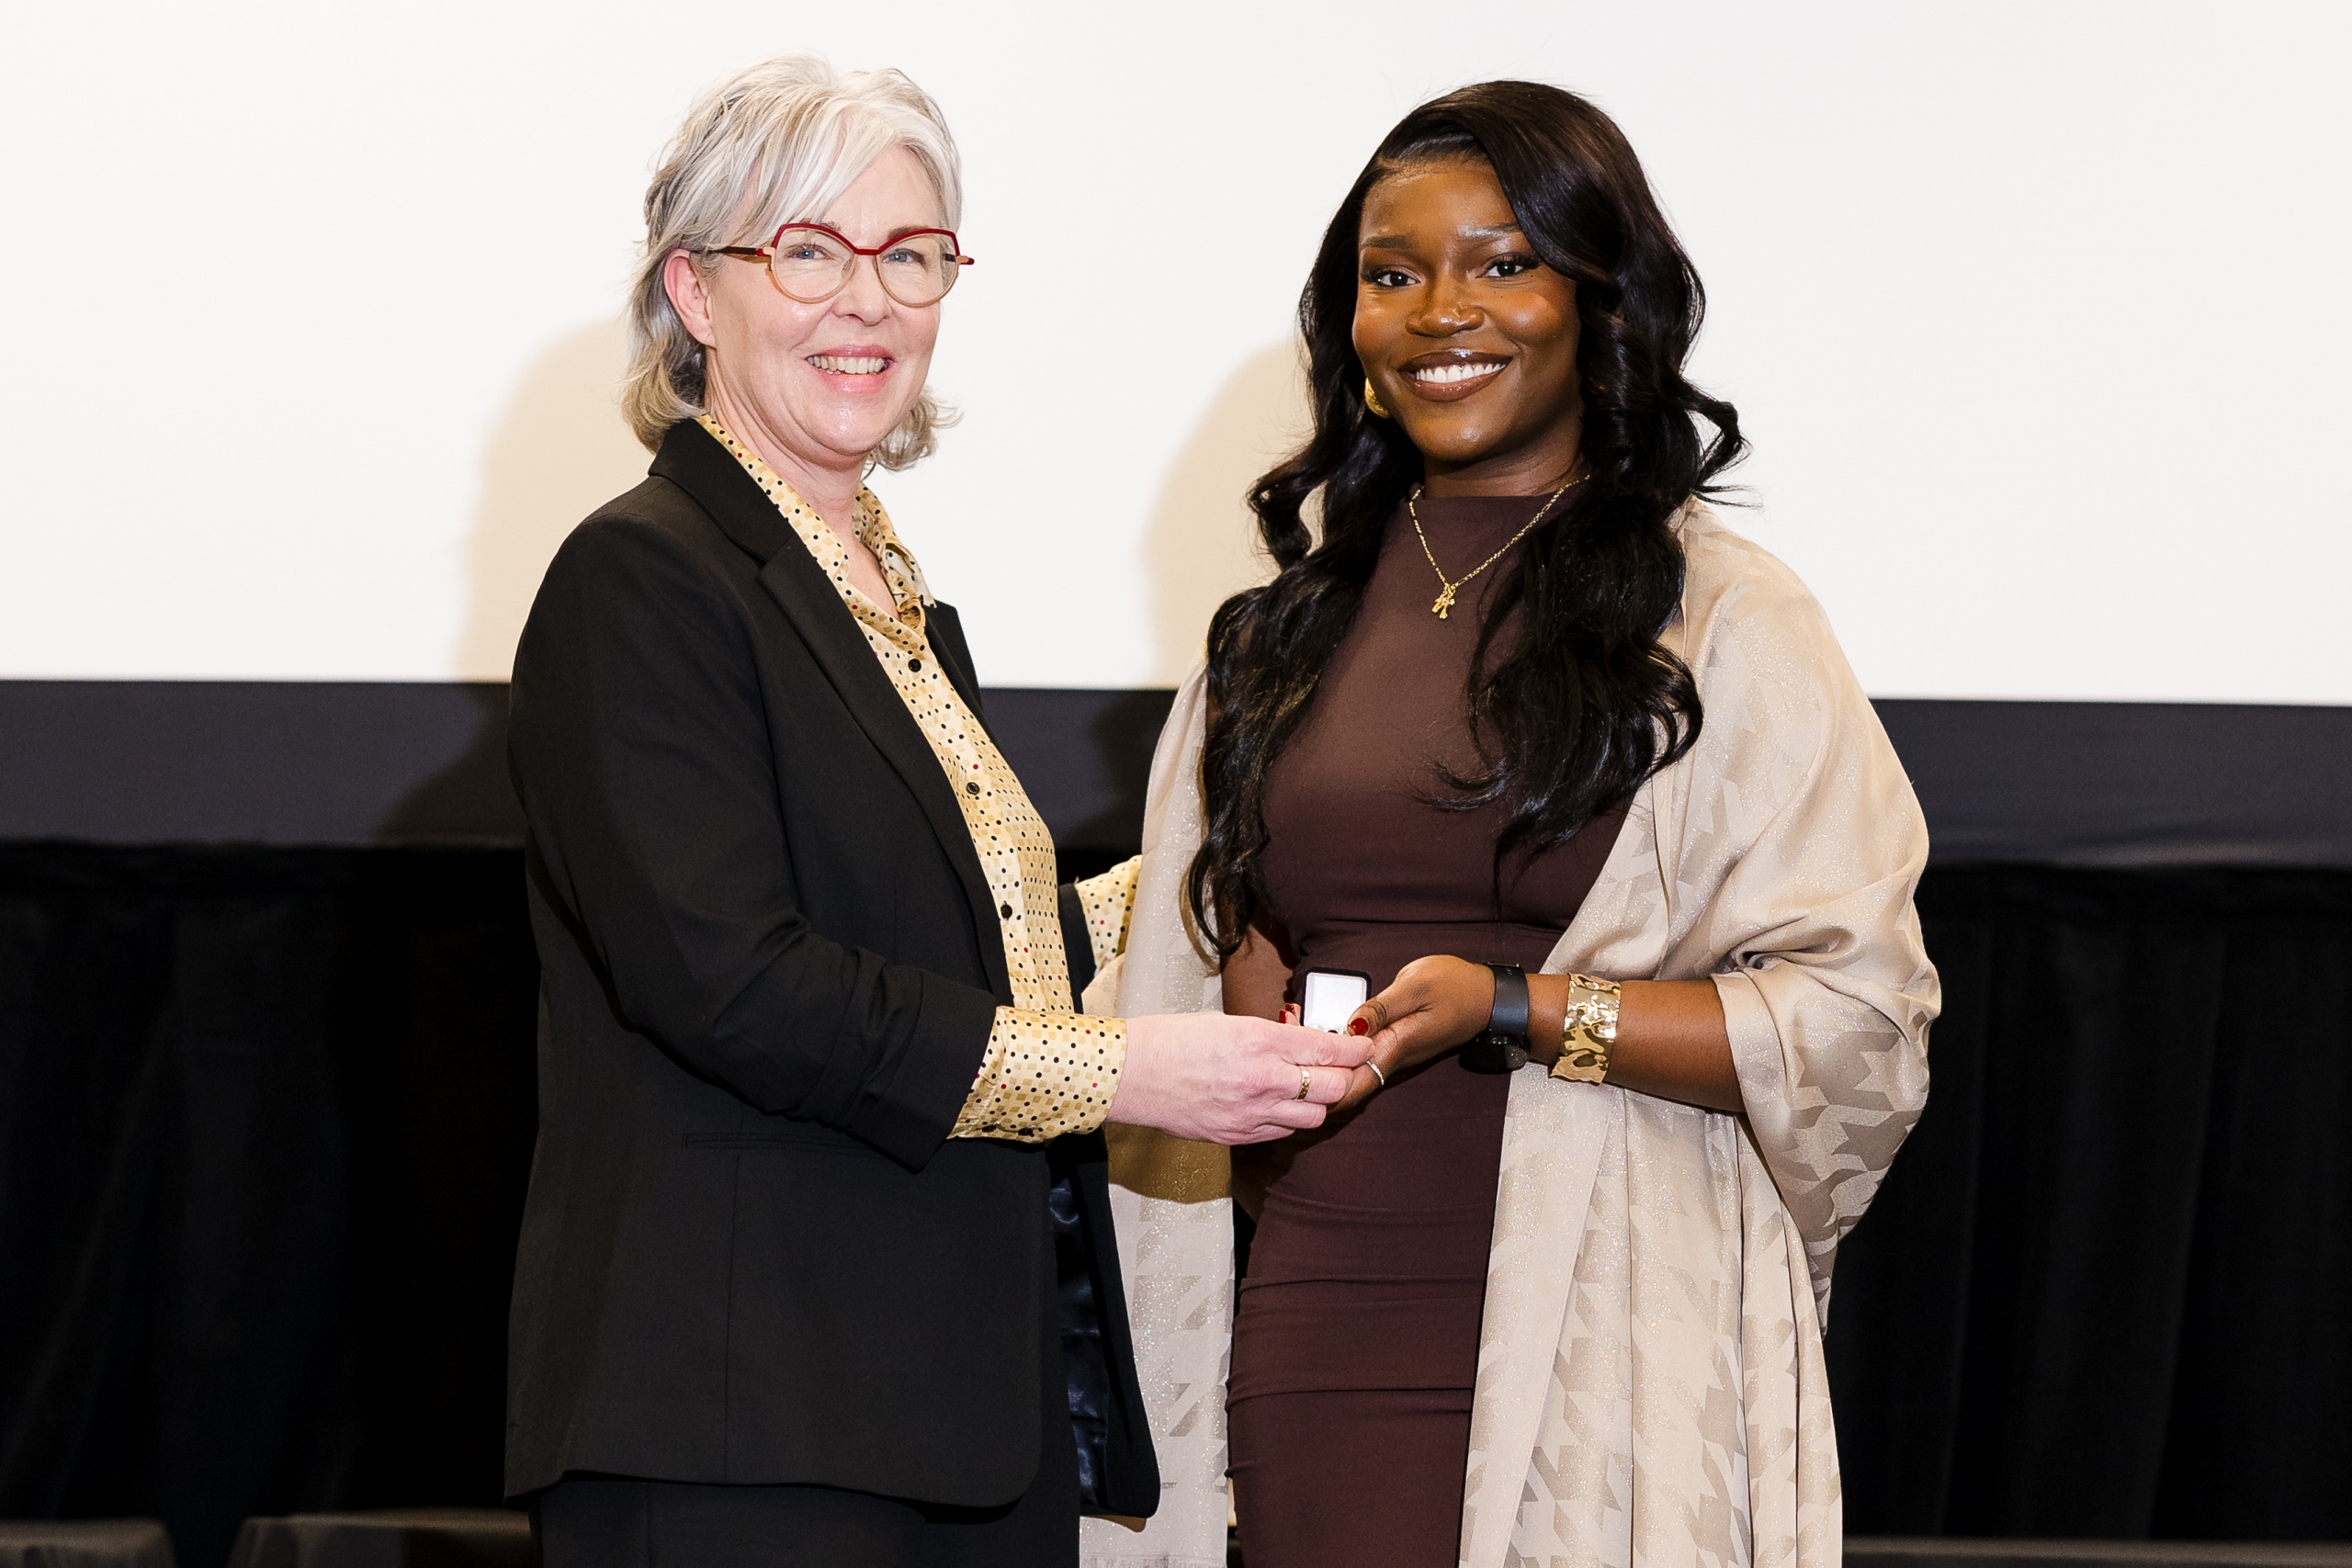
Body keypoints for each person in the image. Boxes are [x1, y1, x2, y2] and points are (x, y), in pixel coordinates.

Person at [502, 54, 1367, 1568]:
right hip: (743, 1432)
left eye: (911, 255)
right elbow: (742, 987)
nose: (869, 301)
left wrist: (1216, 876)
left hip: (946, 1420)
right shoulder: (642, 577)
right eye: (809, 251)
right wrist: (1124, 1072)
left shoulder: (891, 605)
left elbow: (971, 948)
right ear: (695, 292)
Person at [1085, 82, 1940, 1568]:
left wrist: (1521, 1007)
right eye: (1392, 273)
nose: (1441, 311)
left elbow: (1859, 1019)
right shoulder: (1276, 639)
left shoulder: (1725, 620)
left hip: (1610, 1322)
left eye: (1503, 262)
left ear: (1599, 302)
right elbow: (1224, 960)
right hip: (1326, 1312)